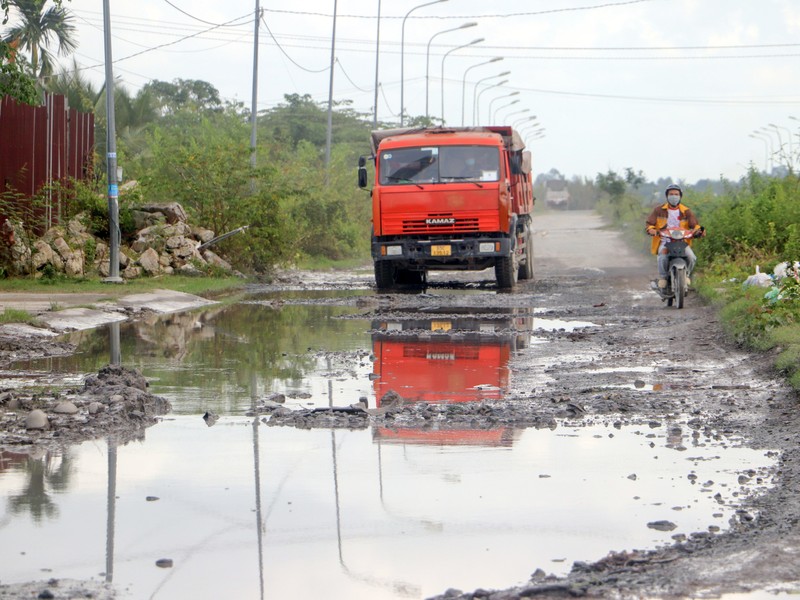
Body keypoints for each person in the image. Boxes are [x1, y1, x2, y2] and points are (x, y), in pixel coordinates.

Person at [645, 184, 703, 289]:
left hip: (682, 241)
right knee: (662, 256)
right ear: (667, 196)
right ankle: (663, 278)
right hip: (665, 241)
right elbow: (649, 224)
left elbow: (695, 225)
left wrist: (698, 231)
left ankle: (686, 275)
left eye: (676, 194)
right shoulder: (658, 210)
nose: (674, 196)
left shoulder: (686, 211)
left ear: (680, 196)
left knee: (691, 257)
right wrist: (652, 230)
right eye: (671, 194)